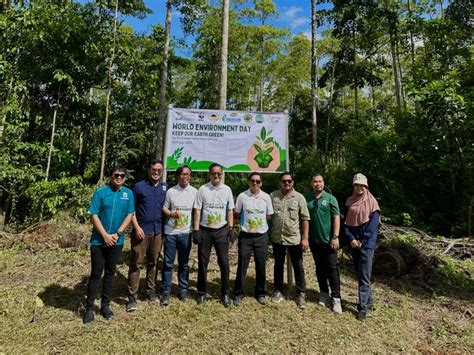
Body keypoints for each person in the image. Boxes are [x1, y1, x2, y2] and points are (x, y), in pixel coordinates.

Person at [83, 166, 135, 324]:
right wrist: (105, 235)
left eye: (122, 175)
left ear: (125, 178)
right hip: (99, 241)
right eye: (116, 175)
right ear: (110, 176)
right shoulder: (101, 192)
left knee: (110, 273)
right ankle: (89, 308)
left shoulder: (128, 193)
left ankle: (105, 306)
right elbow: (93, 214)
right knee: (96, 274)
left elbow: (130, 214)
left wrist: (118, 234)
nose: (119, 178)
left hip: (117, 241)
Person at [126, 160, 167, 311]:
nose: (156, 172)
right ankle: (132, 296)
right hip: (141, 232)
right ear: (149, 170)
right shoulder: (139, 187)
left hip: (157, 232)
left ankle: (150, 290)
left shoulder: (164, 187)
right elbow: (131, 210)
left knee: (153, 262)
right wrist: (136, 227)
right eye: (154, 169)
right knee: (136, 263)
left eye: (159, 170)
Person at [193, 163, 234, 307]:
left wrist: (231, 228)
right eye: (213, 173)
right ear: (209, 174)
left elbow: (230, 210)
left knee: (224, 263)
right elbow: (197, 210)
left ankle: (225, 293)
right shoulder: (203, 189)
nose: (216, 176)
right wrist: (196, 230)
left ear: (222, 174)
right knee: (203, 263)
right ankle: (202, 292)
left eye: (219, 173)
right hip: (205, 230)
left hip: (221, 230)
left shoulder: (227, 189)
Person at [269, 171, 310, 309]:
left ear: (293, 182)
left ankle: (301, 294)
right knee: (278, 265)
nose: (286, 183)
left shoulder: (299, 198)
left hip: (294, 239)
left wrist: (305, 238)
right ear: (280, 182)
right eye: (284, 181)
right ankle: (278, 291)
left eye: (289, 181)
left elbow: (305, 219)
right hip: (277, 238)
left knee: (298, 266)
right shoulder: (273, 196)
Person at [344, 173, 381, 321]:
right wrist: (352, 239)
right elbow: (345, 223)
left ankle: (362, 308)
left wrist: (362, 241)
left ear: (366, 187)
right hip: (354, 243)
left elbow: (372, 226)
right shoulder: (350, 201)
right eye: (356, 185)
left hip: (367, 244)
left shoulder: (372, 203)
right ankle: (369, 301)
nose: (359, 188)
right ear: (354, 186)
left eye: (362, 185)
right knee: (360, 274)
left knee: (364, 275)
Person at [233, 172, 274, 306]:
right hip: (245, 236)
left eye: (257, 181)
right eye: (252, 181)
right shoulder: (242, 196)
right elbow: (237, 213)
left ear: (261, 183)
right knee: (242, 265)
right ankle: (239, 293)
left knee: (261, 265)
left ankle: (261, 293)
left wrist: (258, 225)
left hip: (261, 236)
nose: (255, 183)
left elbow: (269, 215)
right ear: (249, 182)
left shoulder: (266, 197)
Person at [305, 173, 342, 314]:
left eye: (320, 182)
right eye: (315, 182)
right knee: (319, 268)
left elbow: (336, 218)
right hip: (314, 241)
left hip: (329, 241)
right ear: (311, 183)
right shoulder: (307, 198)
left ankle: (336, 298)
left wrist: (335, 236)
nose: (318, 184)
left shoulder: (330, 198)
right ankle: (324, 293)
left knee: (332, 269)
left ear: (323, 183)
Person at [160, 166, 197, 305]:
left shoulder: (194, 192)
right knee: (168, 264)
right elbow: (164, 207)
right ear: (177, 176)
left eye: (187, 174)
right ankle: (165, 292)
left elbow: (197, 211)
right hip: (171, 233)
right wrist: (170, 214)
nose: (185, 176)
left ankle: (183, 290)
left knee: (184, 264)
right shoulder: (171, 191)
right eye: (182, 174)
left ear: (190, 176)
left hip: (186, 233)